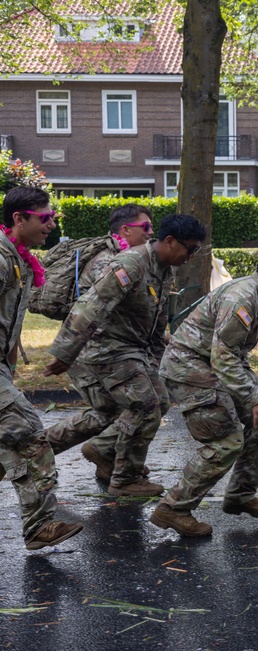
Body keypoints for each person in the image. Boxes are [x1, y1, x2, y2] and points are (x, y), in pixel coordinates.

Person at [150, 239, 258, 537]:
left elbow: (231, 354)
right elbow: (222, 357)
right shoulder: (242, 298)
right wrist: (252, 397)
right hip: (189, 369)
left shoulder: (257, 295)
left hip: (211, 363)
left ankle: (240, 495)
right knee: (227, 441)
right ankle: (173, 508)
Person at [40, 214, 208, 496]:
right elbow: (90, 305)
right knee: (144, 406)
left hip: (130, 350)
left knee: (152, 403)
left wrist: (157, 364)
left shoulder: (163, 269)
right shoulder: (131, 263)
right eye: (191, 249)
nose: (192, 255)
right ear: (169, 241)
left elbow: (156, 323)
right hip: (105, 349)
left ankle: (100, 451)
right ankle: (124, 478)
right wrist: (64, 352)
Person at [0, 186, 83, 550]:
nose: (51, 225)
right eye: (45, 218)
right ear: (19, 219)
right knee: (28, 432)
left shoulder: (17, 258)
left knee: (8, 444)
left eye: (53, 218)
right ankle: (40, 525)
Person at [70, 203, 156, 480]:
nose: (151, 233)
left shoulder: (131, 258)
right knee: (131, 408)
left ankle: (115, 463)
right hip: (96, 352)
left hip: (115, 348)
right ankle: (39, 448)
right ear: (125, 230)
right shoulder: (109, 262)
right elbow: (100, 307)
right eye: (146, 227)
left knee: (126, 410)